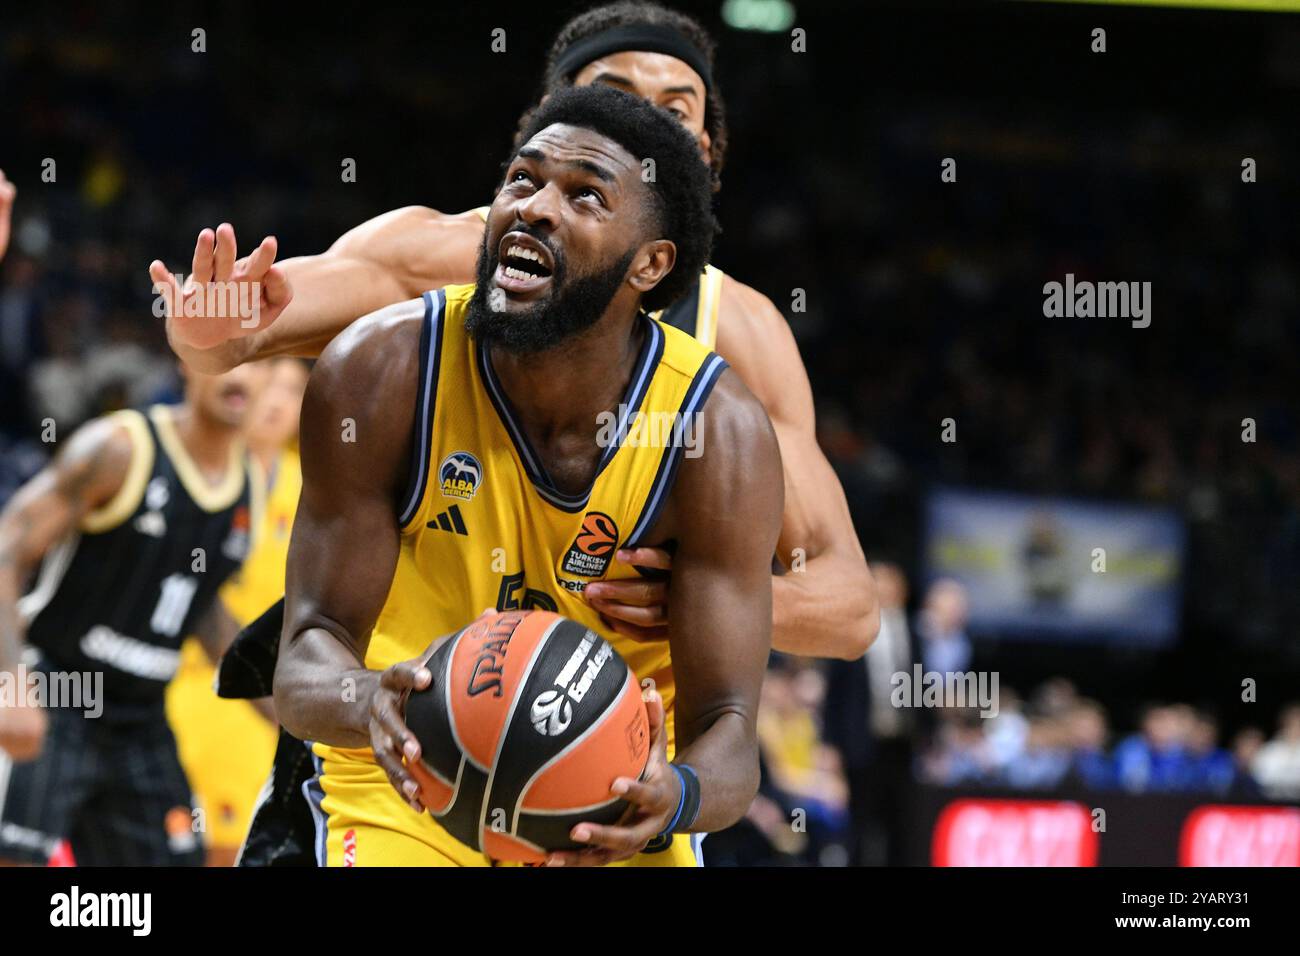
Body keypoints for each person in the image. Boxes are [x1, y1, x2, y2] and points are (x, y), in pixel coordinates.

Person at [149, 2, 878, 661]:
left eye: (674, 110)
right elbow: (236, 338)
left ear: (706, 156)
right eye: (612, 96)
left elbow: (848, 607)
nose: (644, 125)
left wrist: (712, 600)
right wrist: (205, 328)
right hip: (399, 712)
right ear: (549, 120)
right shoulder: (438, 257)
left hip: (604, 751)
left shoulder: (741, 332)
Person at [271, 85, 783, 867]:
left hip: (611, 799)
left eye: (584, 195)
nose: (535, 207)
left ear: (650, 263)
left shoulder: (717, 433)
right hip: (408, 773)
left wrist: (672, 796)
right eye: (522, 179)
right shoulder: (381, 369)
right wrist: (366, 696)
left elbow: (732, 731)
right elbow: (309, 649)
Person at [0, 349, 268, 865]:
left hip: (142, 717)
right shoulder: (118, 448)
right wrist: (11, 685)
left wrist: (293, 714)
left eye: (256, 361)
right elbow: (8, 551)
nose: (242, 375)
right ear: (188, 361)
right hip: (57, 692)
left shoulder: (246, 487)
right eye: (227, 358)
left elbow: (202, 611)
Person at [166, 357, 307, 864]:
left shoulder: (318, 487)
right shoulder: (207, 478)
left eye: (292, 391)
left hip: (276, 697)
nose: (274, 402)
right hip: (195, 686)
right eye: (271, 386)